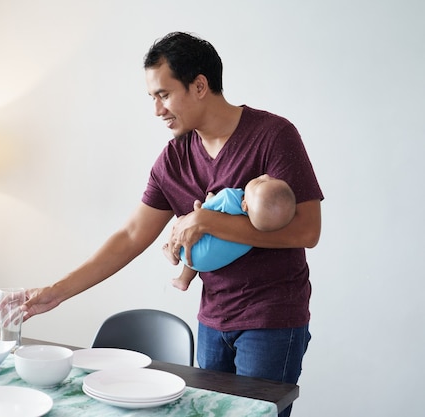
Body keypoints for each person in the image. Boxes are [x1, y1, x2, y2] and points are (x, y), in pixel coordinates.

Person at [21, 32, 323, 417]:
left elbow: (306, 231)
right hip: (213, 320)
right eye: (152, 98)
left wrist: (206, 220)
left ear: (199, 85)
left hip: (272, 320)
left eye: (163, 94)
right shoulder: (174, 159)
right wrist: (57, 291)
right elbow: (131, 236)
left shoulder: (273, 135)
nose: (157, 110)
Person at [165, 174, 296, 291]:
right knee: (206, 247)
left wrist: (210, 199)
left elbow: (202, 214)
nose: (266, 176)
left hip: (190, 252)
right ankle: (183, 280)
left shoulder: (231, 197)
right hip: (208, 263)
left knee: (184, 222)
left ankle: (174, 257)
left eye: (260, 182)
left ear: (245, 205)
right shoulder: (253, 237)